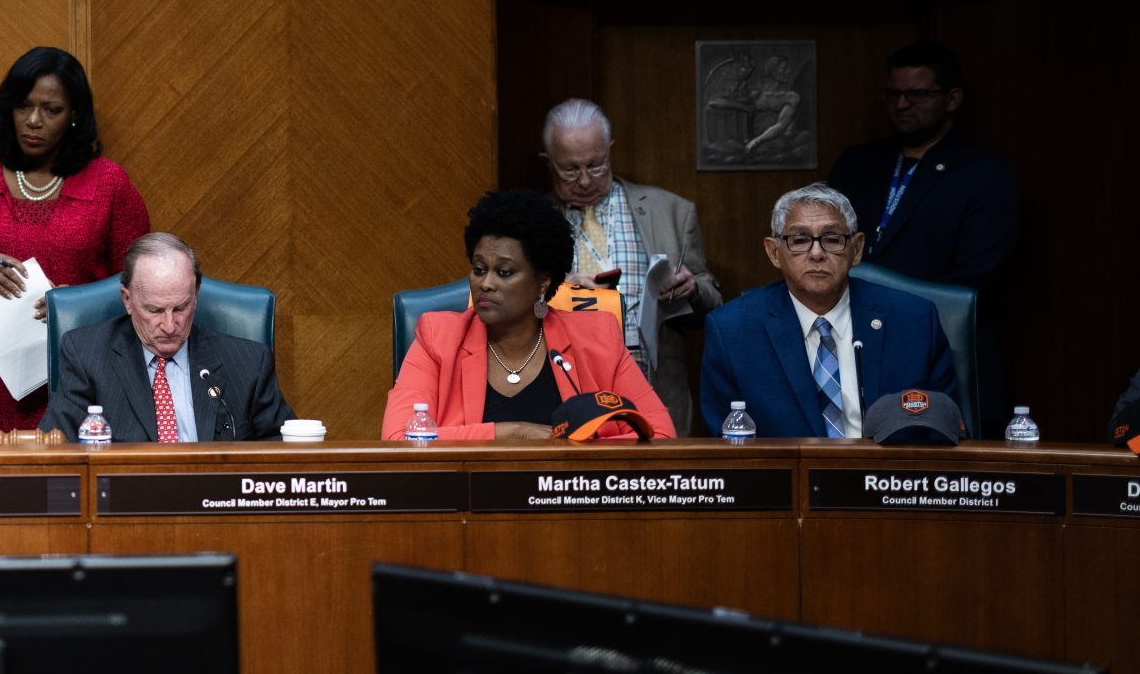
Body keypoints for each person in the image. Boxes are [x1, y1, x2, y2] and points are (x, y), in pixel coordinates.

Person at [0, 47, 152, 441]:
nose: (33, 121)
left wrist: (76, 303)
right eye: (23, 106)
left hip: (86, 373)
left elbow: (141, 280)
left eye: (51, 110)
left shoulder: (109, 183)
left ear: (74, 115)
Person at [827, 41, 1019, 427]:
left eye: (917, 94)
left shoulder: (984, 174)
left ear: (952, 99)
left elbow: (979, 277)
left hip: (941, 344)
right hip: (854, 338)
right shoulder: (857, 164)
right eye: (893, 94)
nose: (902, 105)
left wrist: (888, 298)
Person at [384, 190, 671, 442]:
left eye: (504, 272)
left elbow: (660, 435)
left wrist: (576, 451)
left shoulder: (598, 339)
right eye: (479, 269)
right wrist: (516, 432)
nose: (485, 283)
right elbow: (400, 438)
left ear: (542, 282)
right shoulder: (438, 338)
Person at [699, 184, 960, 439]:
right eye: (799, 240)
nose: (816, 253)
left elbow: (946, 429)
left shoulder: (914, 320)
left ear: (857, 249)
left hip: (892, 468)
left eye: (832, 239)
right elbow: (725, 444)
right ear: (774, 252)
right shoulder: (733, 331)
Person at [539, 98, 722, 436]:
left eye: (596, 166)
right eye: (570, 170)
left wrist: (692, 289)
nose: (585, 181)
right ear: (548, 163)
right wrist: (557, 292)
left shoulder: (672, 211)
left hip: (654, 383)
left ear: (610, 151)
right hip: (564, 382)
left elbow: (712, 304)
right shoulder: (530, 222)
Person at [40, 233, 288, 442]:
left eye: (180, 308)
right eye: (155, 310)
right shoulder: (86, 354)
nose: (170, 326)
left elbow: (284, 453)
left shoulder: (249, 363)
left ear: (195, 295)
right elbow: (56, 449)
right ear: (127, 300)